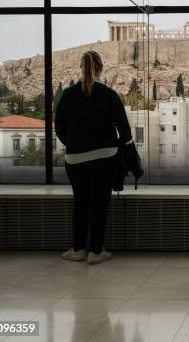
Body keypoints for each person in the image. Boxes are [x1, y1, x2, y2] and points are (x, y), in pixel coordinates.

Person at [55, 50, 133, 265]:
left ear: (81, 68)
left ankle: (78, 249)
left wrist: (74, 144)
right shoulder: (108, 94)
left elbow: (60, 128)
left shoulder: (68, 95)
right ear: (101, 68)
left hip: (75, 158)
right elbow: (125, 131)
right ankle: (96, 251)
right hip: (105, 157)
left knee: (80, 203)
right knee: (99, 204)